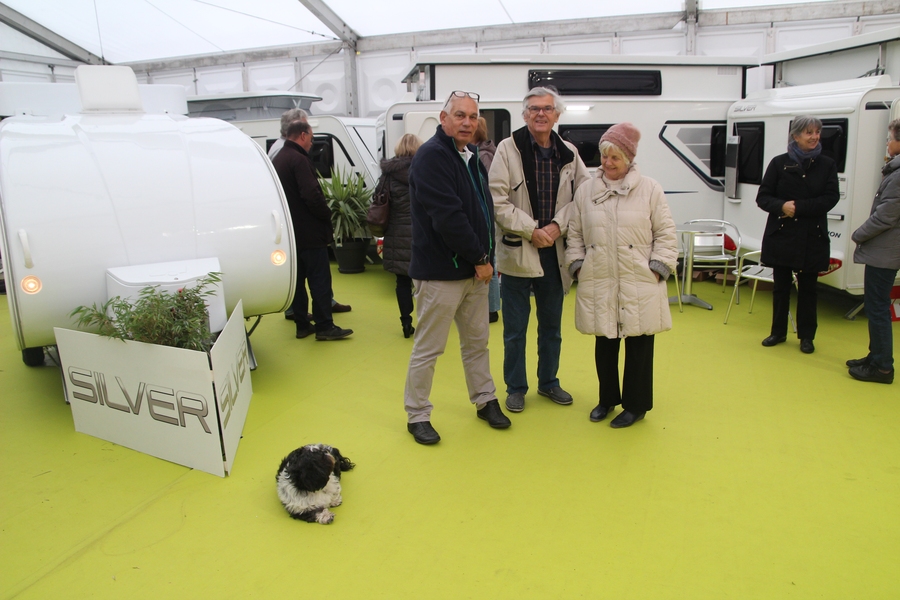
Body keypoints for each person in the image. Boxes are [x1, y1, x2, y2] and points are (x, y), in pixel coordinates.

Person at [404, 90, 510, 445]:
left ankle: (485, 400)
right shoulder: (432, 157)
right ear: (443, 118)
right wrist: (482, 260)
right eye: (460, 115)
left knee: (477, 342)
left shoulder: (471, 156)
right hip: (441, 273)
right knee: (429, 348)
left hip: (474, 273)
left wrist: (486, 260)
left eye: (472, 116)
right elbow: (448, 218)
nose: (467, 122)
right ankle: (417, 414)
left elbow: (483, 212)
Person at [565, 123, 677, 428]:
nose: (608, 163)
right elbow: (574, 233)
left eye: (615, 157)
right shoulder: (586, 190)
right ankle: (607, 400)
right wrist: (577, 264)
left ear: (628, 159)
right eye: (604, 156)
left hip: (639, 278)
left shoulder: (650, 189)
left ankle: (636, 405)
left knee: (639, 343)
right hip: (600, 277)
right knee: (605, 340)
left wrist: (658, 268)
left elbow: (666, 233)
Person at [489, 87, 590, 413]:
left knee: (552, 328)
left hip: (554, 253)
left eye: (547, 109)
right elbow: (497, 201)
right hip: (518, 251)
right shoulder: (507, 150)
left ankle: (549, 383)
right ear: (524, 114)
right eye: (534, 109)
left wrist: (557, 226)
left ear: (557, 115)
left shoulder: (570, 153)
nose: (540, 114)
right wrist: (531, 229)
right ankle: (515, 388)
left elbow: (583, 198)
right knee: (514, 330)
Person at [756, 116, 840, 354]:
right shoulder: (778, 163)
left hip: (812, 238)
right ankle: (778, 332)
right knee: (781, 288)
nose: (814, 137)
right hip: (782, 236)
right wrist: (782, 206)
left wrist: (799, 208)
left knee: (809, 289)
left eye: (817, 132)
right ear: (795, 136)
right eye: (809, 133)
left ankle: (806, 336)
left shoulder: (826, 164)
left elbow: (830, 198)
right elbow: (763, 197)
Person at [271, 120, 353, 341]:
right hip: (310, 232)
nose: (312, 142)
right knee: (319, 281)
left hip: (291, 234)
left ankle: (302, 324)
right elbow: (311, 195)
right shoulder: (299, 160)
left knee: (298, 282)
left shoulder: (278, 159)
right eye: (312, 138)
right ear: (303, 135)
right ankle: (325, 325)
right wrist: (325, 214)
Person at [846, 118, 900, 384]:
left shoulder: (898, 176)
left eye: (890, 139)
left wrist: (858, 234)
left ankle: (881, 367)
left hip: (885, 252)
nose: (887, 144)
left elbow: (885, 217)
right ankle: (875, 356)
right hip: (886, 251)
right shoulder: (895, 172)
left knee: (877, 307)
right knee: (876, 305)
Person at [379, 133, 422, 338]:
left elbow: (378, 198)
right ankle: (426, 322)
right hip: (422, 232)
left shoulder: (388, 173)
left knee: (402, 282)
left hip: (396, 232)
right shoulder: (424, 170)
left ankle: (406, 322)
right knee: (424, 281)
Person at [472, 117, 501, 324]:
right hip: (486, 214)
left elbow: (485, 188)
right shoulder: (487, 152)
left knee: (489, 259)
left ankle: (491, 309)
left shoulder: (482, 156)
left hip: (486, 215)